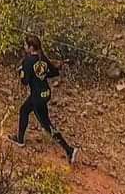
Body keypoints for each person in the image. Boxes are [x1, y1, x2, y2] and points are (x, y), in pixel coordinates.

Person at [10, 35, 79, 164]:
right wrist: (42, 74)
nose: (24, 47)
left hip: (37, 97)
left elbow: (25, 82)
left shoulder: (28, 61)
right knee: (24, 110)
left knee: (46, 125)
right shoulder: (42, 57)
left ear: (31, 47)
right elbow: (54, 72)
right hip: (45, 93)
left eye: (25, 45)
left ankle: (69, 150)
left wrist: (21, 72)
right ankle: (20, 139)